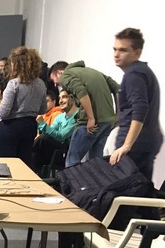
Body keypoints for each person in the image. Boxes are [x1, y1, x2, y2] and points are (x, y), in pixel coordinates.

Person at [109, 27, 162, 182]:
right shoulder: (142, 71)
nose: (116, 54)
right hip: (146, 141)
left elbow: (140, 108)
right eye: (115, 49)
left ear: (137, 53)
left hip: (135, 146)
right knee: (140, 190)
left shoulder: (134, 74)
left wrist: (127, 145)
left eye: (123, 50)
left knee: (125, 191)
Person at [49, 60, 119, 167]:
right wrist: (118, 115)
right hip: (107, 122)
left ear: (59, 72)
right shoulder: (94, 72)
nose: (55, 84)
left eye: (54, 80)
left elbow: (81, 91)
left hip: (90, 123)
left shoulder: (65, 75)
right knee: (96, 163)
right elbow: (117, 88)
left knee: (72, 162)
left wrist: (91, 118)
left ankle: (73, 180)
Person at [0, 46, 47, 168]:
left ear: (17, 65)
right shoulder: (41, 84)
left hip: (10, 128)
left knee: (7, 166)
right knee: (24, 165)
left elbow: (3, 113)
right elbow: (42, 109)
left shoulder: (14, 84)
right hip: (30, 127)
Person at [32, 90, 79, 172]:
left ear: (73, 98)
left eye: (64, 97)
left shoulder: (78, 116)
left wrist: (42, 124)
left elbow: (61, 137)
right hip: (53, 151)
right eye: (59, 98)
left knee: (43, 139)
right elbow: (51, 133)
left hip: (66, 153)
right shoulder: (60, 117)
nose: (60, 101)